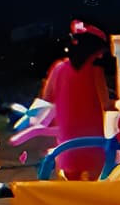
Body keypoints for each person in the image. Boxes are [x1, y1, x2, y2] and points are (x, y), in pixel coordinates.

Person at [39, 22, 113, 178]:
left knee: (70, 180)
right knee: (94, 181)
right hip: (92, 136)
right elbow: (105, 104)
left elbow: (46, 98)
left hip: (66, 136)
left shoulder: (58, 68)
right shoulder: (95, 69)